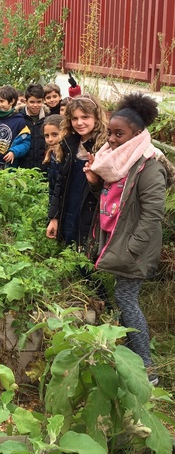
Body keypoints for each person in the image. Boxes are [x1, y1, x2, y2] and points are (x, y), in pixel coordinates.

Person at [84, 93, 173, 383]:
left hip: (134, 247)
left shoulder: (150, 165)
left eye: (118, 134)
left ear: (137, 134)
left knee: (125, 298)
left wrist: (132, 248)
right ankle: (132, 359)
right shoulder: (119, 160)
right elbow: (111, 201)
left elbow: (152, 214)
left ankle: (147, 369)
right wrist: (95, 183)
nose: (111, 139)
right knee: (123, 299)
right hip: (118, 240)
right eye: (110, 132)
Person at [46, 94, 108, 248]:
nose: (79, 123)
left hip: (92, 215)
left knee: (86, 257)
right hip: (69, 209)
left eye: (85, 117)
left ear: (96, 117)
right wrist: (54, 217)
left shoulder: (105, 147)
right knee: (67, 250)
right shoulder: (69, 143)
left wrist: (95, 180)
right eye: (74, 118)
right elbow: (60, 183)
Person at [19, 83, 48, 172]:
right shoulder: (19, 118)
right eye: (32, 102)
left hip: (43, 167)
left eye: (39, 102)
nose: (35, 105)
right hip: (22, 167)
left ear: (43, 101)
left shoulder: (48, 118)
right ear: (26, 101)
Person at [42, 114, 64, 204]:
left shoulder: (67, 156)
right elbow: (52, 188)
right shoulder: (51, 155)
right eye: (47, 136)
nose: (50, 139)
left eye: (55, 134)